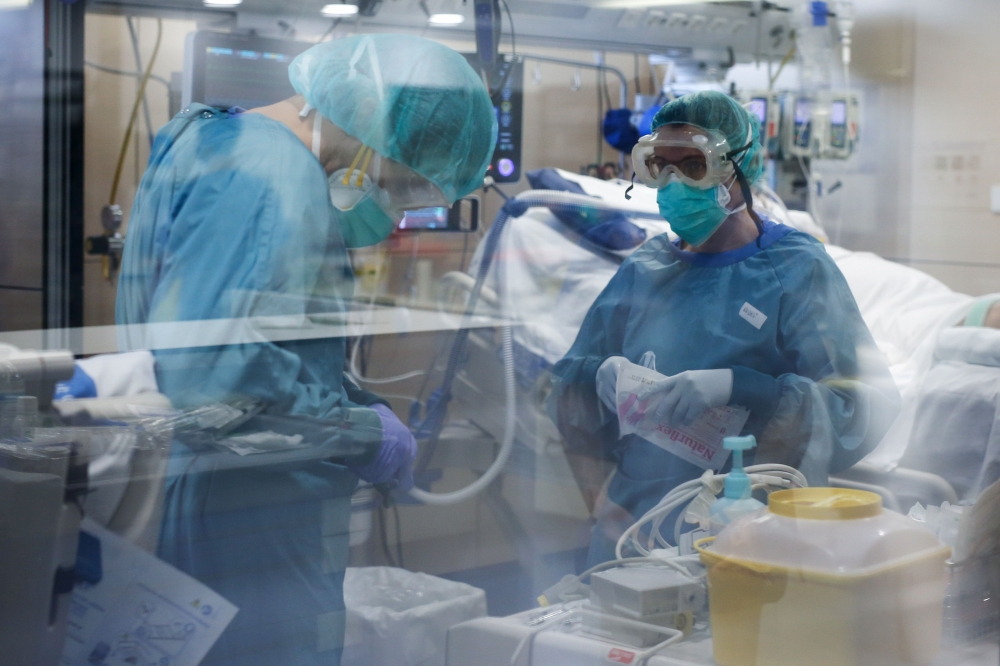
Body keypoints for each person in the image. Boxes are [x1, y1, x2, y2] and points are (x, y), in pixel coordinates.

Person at [116, 34, 496, 665]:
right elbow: (216, 386)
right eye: (404, 186)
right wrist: (360, 434)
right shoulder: (275, 176)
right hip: (247, 517)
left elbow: (258, 344)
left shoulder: (218, 139)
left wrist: (352, 400)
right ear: (367, 117)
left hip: (218, 495)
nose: (398, 215)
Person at [547, 91, 900, 566]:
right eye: (661, 166)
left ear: (739, 168)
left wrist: (747, 389)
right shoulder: (647, 268)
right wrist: (595, 376)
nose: (674, 183)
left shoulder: (794, 269)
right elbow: (565, 393)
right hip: (634, 526)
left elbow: (859, 407)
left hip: (754, 529)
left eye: (693, 165)